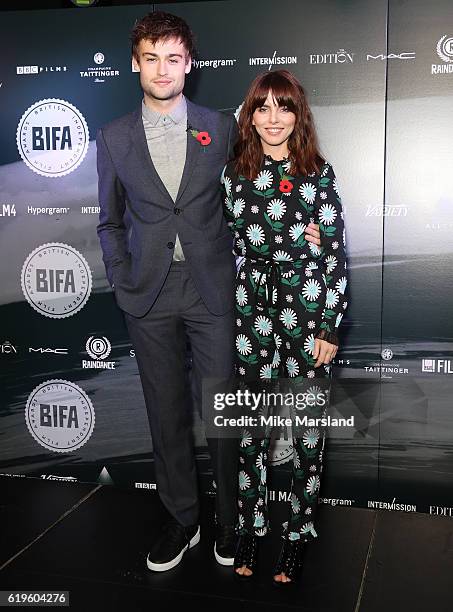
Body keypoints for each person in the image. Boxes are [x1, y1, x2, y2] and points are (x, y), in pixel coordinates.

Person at [97, 11, 322, 573]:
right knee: (164, 412)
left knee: (225, 413)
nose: (163, 68)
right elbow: (108, 221)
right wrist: (123, 277)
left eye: (174, 58)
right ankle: (182, 519)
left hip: (215, 292)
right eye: (152, 57)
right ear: (136, 63)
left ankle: (232, 521)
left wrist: (309, 219)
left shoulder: (221, 128)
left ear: (188, 65)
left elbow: (264, 180)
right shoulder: (114, 136)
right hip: (146, 295)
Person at [221, 69, 348, 585]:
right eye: (263, 107)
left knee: (306, 429)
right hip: (252, 310)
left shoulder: (318, 173)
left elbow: (336, 253)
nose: (274, 119)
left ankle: (297, 533)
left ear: (299, 115)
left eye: (285, 107)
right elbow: (226, 244)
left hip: (307, 307)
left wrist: (331, 328)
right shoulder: (234, 174)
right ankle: (251, 528)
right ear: (250, 115)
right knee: (251, 424)